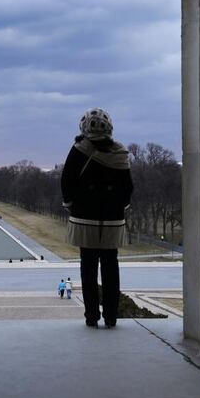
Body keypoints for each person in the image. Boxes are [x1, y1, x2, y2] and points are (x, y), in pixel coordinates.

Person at [61, 108, 133, 329]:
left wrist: (71, 205)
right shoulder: (120, 153)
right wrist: (120, 206)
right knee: (111, 266)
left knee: (88, 268)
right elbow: (127, 187)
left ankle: (91, 315)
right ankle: (111, 316)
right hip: (112, 219)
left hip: (85, 217)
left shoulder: (79, 149)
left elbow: (67, 181)